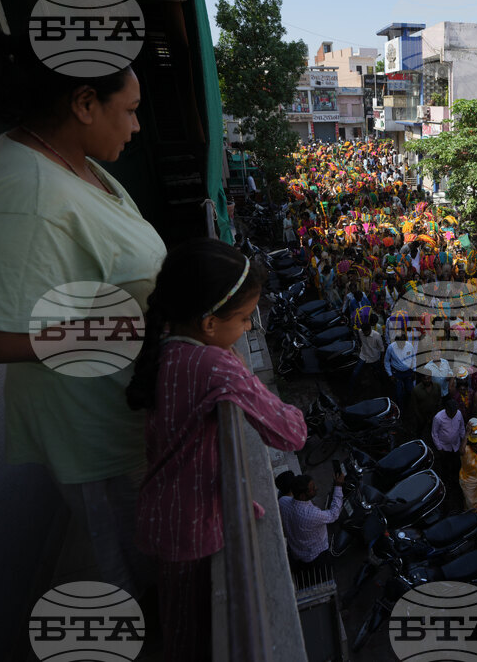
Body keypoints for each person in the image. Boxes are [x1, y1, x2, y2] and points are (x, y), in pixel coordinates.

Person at [0, 33, 166, 597]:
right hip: (92, 431)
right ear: (84, 104)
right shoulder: (24, 193)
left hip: (121, 409)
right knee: (138, 566)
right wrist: (129, 330)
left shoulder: (72, 164)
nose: (136, 126)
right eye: (130, 111)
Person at [129, 240, 307, 662]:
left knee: (178, 622)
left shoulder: (170, 346)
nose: (248, 330)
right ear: (209, 323)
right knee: (194, 638)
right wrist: (245, 375)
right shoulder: (214, 366)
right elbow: (291, 434)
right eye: (245, 319)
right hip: (192, 529)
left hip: (164, 513)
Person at [287, 473, 345, 568]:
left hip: (295, 550)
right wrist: (338, 487)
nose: (316, 488)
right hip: (315, 556)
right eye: (313, 488)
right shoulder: (311, 514)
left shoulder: (284, 502)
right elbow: (334, 514)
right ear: (302, 496)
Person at [385, 330, 417, 407]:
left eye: (403, 342)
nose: (401, 344)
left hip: (408, 372)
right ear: (396, 341)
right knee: (398, 393)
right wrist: (390, 375)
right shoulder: (391, 348)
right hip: (397, 373)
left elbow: (414, 358)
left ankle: (409, 406)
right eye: (399, 342)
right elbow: (386, 361)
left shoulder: (409, 346)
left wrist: (414, 371)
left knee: (410, 390)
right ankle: (400, 408)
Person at [351, 318, 384, 385]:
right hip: (363, 356)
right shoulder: (360, 331)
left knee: (379, 372)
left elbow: (382, 349)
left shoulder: (377, 336)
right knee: (355, 373)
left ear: (370, 330)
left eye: (366, 332)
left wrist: (382, 360)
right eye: (364, 332)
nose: (365, 333)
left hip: (374, 357)